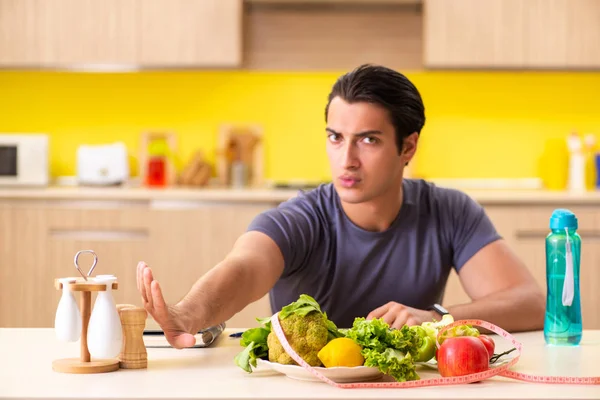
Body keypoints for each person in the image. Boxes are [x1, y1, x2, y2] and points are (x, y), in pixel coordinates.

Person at [137, 64, 545, 349]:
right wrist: (187, 313)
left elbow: (528, 302)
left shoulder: (448, 211)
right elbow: (243, 269)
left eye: (368, 140)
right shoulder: (301, 218)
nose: (346, 159)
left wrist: (439, 317)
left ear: (408, 146)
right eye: (335, 137)